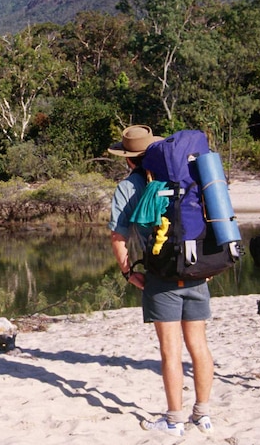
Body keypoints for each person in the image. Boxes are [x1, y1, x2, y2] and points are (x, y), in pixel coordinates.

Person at [107, 126, 215, 437]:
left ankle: (174, 419)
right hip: (196, 270)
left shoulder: (128, 187)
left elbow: (118, 236)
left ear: (129, 160)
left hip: (160, 275)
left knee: (170, 351)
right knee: (199, 346)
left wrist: (129, 272)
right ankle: (204, 415)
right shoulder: (185, 177)